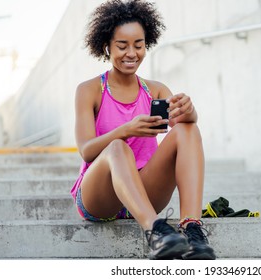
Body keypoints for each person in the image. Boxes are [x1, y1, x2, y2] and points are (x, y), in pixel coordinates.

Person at [70, 0, 216, 260]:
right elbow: (86, 151)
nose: (131, 53)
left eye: (138, 45)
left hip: (145, 191)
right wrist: (126, 130)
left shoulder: (155, 90)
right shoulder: (90, 90)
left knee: (188, 130)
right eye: (122, 45)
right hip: (100, 196)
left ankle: (192, 229)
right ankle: (156, 233)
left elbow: (182, 128)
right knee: (117, 148)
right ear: (106, 46)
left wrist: (190, 112)